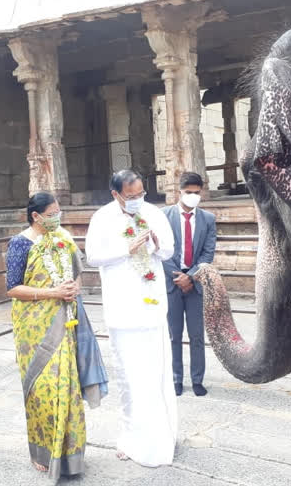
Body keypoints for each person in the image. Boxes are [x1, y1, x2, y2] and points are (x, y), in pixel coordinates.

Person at [6, 192, 106, 480]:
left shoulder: (64, 238)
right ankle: (42, 451)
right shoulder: (20, 243)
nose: (57, 217)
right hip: (34, 328)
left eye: (58, 212)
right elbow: (13, 287)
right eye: (51, 214)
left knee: (68, 387)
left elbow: (76, 271)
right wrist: (51, 292)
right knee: (42, 387)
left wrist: (74, 287)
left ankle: (72, 457)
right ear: (36, 216)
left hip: (66, 321)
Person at [85, 170, 177, 467]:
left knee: (156, 372)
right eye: (131, 196)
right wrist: (127, 249)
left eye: (140, 194)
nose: (137, 200)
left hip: (152, 306)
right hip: (122, 308)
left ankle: (163, 433)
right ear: (116, 194)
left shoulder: (154, 213)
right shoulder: (102, 218)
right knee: (129, 376)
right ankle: (131, 436)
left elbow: (169, 250)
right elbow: (93, 257)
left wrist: (155, 243)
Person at [162, 171, 217, 397]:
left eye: (197, 193)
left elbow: (208, 252)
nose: (193, 196)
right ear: (179, 192)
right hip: (172, 282)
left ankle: (197, 380)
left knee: (196, 336)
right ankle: (176, 379)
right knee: (174, 335)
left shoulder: (208, 219)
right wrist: (179, 276)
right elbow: (160, 251)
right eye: (188, 192)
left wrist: (191, 276)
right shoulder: (163, 216)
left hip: (196, 284)